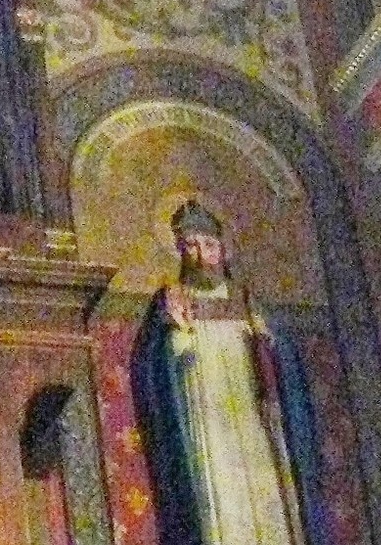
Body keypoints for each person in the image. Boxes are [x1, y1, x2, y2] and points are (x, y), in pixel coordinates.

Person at [134, 200, 323, 545]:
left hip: (252, 418)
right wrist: (177, 337)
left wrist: (271, 349)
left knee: (268, 498)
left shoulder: (248, 301)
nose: (200, 255)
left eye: (208, 245)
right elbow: (150, 367)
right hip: (203, 420)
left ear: (222, 250)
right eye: (189, 246)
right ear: (179, 251)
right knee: (218, 494)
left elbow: (285, 362)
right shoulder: (171, 299)